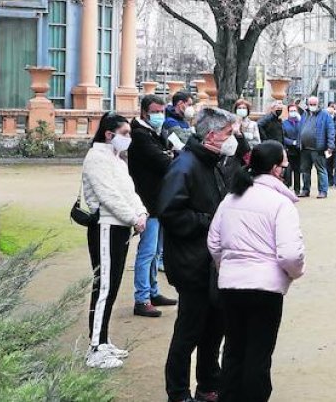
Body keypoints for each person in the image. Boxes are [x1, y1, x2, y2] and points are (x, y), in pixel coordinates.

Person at [156, 107, 245, 402]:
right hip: (191, 264)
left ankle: (208, 384)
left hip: (213, 264)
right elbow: (170, 212)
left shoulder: (214, 162)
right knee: (189, 332)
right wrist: (209, 222)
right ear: (212, 135)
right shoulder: (184, 166)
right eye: (229, 134)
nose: (233, 139)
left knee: (214, 329)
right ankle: (178, 393)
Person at [208, 140, 305, 402]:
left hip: (231, 285)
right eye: (284, 165)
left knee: (233, 350)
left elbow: (214, 241)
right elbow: (290, 253)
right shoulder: (280, 203)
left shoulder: (231, 197)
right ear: (275, 169)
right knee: (258, 355)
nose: (285, 170)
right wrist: (293, 273)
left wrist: (226, 266)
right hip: (265, 288)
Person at [81, 112, 149, 369]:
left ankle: (103, 339)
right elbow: (108, 195)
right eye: (125, 134)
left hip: (121, 227)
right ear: (109, 135)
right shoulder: (96, 157)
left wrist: (140, 212)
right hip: (106, 227)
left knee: (112, 287)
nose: (128, 138)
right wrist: (134, 217)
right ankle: (95, 348)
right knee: (104, 288)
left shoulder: (117, 159)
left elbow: (129, 192)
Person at [128, 94, 178, 318]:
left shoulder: (154, 133)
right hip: (147, 202)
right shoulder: (140, 135)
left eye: (162, 111)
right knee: (147, 252)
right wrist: (169, 155)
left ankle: (153, 292)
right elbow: (164, 161)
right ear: (145, 112)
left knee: (155, 251)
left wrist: (169, 154)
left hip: (158, 201)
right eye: (156, 111)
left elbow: (169, 155)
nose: (160, 115)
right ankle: (142, 298)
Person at [298, 95, 335, 199]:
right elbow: (300, 129)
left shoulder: (325, 115)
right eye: (311, 104)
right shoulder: (305, 114)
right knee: (305, 170)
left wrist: (330, 146)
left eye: (314, 104)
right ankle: (305, 189)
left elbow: (330, 131)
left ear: (318, 104)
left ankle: (323, 191)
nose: (312, 106)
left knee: (321, 170)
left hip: (318, 148)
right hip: (305, 148)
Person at [282, 104, 304, 191]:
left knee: (297, 170)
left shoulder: (301, 123)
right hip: (289, 150)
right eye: (291, 111)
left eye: (294, 111)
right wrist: (292, 142)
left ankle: (297, 189)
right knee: (288, 169)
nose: (293, 112)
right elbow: (283, 136)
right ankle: (286, 187)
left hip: (299, 150)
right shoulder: (284, 123)